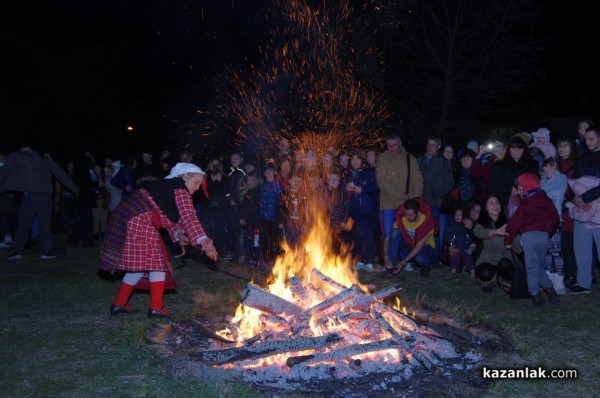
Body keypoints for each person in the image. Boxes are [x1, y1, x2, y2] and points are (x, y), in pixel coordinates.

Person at [99, 163, 218, 318]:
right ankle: (156, 308)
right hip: (140, 218)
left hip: (132, 215)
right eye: (196, 182)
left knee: (142, 265)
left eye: (200, 185)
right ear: (185, 175)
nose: (197, 188)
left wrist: (179, 235)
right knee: (157, 263)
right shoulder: (179, 188)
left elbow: (166, 217)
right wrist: (205, 242)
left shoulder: (169, 187)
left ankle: (119, 304)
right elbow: (189, 218)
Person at [1, 147, 79, 260]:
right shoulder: (44, 159)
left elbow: (5, 171)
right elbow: (60, 174)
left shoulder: (18, 156)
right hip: (46, 197)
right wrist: (75, 190)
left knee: (24, 224)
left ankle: (18, 250)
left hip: (30, 196)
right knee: (45, 225)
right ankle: (47, 251)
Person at [504, 173, 560, 306]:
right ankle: (550, 290)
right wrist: (548, 232)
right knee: (538, 266)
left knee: (532, 268)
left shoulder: (525, 205)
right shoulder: (546, 200)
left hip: (529, 236)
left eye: (518, 189)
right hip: (543, 236)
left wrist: (508, 240)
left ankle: (536, 295)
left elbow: (514, 223)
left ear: (523, 188)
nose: (517, 192)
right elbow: (555, 219)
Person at [567, 125, 600, 294]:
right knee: (582, 247)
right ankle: (583, 282)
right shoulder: (584, 157)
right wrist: (576, 198)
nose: (587, 142)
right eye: (585, 139)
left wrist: (586, 198)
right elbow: (575, 180)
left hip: (598, 209)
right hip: (581, 209)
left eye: (591, 139)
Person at [376, 133, 423, 245]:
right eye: (389, 145)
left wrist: (414, 200)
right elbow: (381, 181)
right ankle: (390, 260)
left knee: (406, 234)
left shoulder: (410, 159)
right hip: (389, 204)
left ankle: (404, 260)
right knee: (388, 234)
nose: (391, 148)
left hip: (407, 204)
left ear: (400, 144)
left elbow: (418, 180)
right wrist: (399, 194)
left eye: (394, 145)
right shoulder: (382, 159)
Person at [417, 137, 454, 263]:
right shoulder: (420, 160)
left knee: (434, 230)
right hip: (419, 202)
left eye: (433, 145)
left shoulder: (443, 161)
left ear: (438, 147)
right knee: (420, 229)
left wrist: (436, 192)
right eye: (428, 144)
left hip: (433, 203)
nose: (430, 147)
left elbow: (449, 182)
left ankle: (435, 257)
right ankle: (421, 256)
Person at [384, 197, 437, 277]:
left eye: (410, 215)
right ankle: (392, 267)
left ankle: (426, 265)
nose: (407, 217)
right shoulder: (403, 218)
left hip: (425, 247)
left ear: (418, 213)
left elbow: (419, 246)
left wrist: (403, 262)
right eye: (406, 214)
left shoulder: (427, 221)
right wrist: (386, 256)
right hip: (410, 245)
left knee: (420, 258)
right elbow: (388, 237)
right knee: (395, 232)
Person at [344, 152, 379, 272]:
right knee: (357, 234)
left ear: (362, 160)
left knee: (368, 234)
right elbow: (343, 188)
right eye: (353, 159)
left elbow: (375, 186)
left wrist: (362, 189)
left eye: (357, 159)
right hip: (354, 209)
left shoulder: (369, 171)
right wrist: (346, 188)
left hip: (368, 208)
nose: (355, 162)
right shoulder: (347, 174)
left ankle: (368, 260)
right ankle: (359, 259)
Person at [473, 196, 514, 293]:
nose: (495, 205)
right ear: (486, 208)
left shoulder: (509, 222)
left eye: (497, 202)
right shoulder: (482, 223)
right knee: (484, 273)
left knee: (505, 265)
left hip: (505, 257)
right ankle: (490, 279)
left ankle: (502, 279)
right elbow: (478, 232)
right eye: (491, 202)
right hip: (488, 258)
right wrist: (495, 232)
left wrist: (513, 243)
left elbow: (518, 240)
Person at [443, 207, 476, 279]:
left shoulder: (465, 225)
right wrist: (450, 245)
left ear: (463, 216)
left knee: (469, 258)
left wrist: (471, 243)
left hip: (465, 246)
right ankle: (453, 272)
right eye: (456, 215)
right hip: (456, 246)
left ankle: (473, 272)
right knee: (455, 258)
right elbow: (447, 235)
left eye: (460, 215)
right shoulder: (451, 225)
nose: (458, 217)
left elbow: (468, 236)